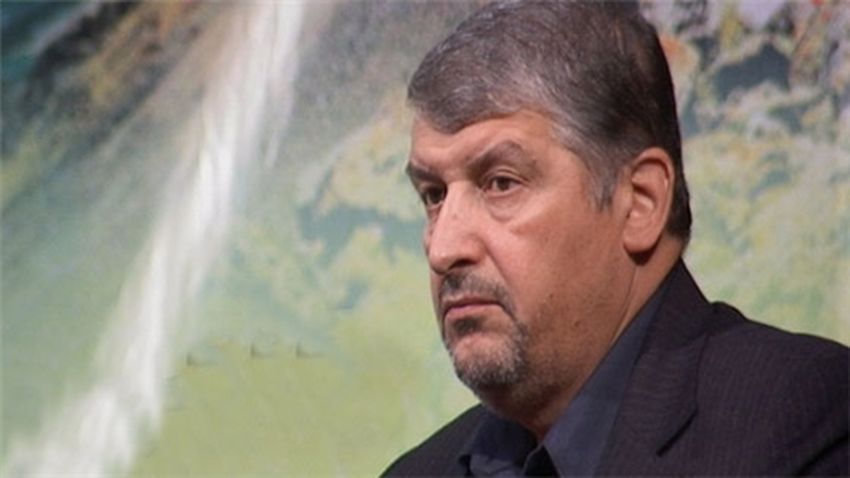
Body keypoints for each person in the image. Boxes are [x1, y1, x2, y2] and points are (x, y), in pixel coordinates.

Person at [382, 1, 849, 476]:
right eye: (434, 195)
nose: (444, 249)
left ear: (640, 201)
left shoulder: (803, 421)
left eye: (501, 183)